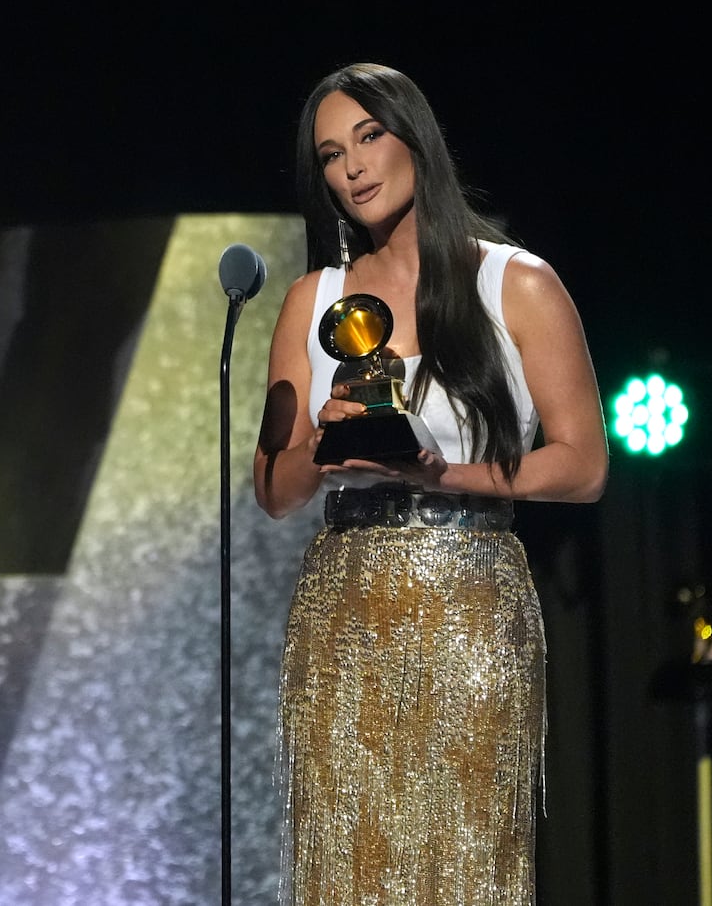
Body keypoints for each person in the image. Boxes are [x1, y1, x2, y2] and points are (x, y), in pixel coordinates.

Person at [253, 62, 608, 905]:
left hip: (471, 601)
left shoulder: (515, 283)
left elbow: (583, 464)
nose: (354, 167)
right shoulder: (316, 301)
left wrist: (440, 473)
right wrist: (331, 432)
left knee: (464, 855)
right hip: (345, 605)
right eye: (332, 154)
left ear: (417, 138)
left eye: (370, 137)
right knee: (352, 858)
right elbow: (274, 486)